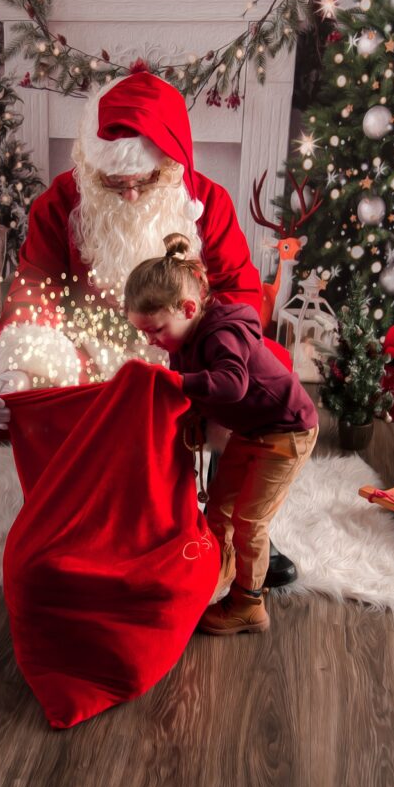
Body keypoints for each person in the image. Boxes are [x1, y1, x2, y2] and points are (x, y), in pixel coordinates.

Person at [0, 68, 298, 586]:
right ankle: (74, 528)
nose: (129, 196)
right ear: (89, 165)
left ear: (169, 167)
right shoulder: (61, 204)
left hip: (185, 350)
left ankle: (240, 526)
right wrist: (15, 370)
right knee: (39, 375)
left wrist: (217, 352)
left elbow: (241, 292)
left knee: (263, 378)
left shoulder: (206, 204)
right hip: (92, 346)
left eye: (143, 181)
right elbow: (32, 291)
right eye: (114, 182)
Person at [124, 233, 319, 635]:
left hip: (287, 430)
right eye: (144, 333)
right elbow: (201, 388)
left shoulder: (222, 333)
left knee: (250, 521)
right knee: (220, 511)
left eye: (156, 330)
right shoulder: (183, 338)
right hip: (252, 429)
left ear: (188, 308)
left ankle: (250, 605)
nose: (151, 341)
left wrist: (176, 382)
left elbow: (231, 385)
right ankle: (221, 580)